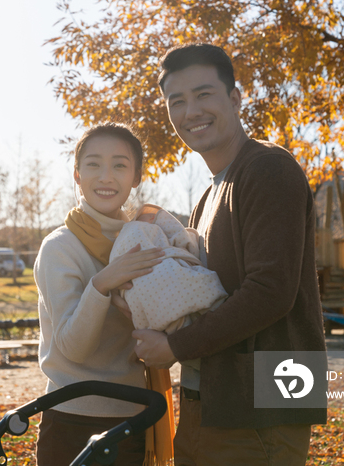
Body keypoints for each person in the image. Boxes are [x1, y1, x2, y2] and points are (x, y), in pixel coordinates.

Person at [123, 44, 327, 465]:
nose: (190, 111)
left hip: (261, 411)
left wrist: (175, 346)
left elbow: (271, 291)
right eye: (176, 101)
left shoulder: (268, 170)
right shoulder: (208, 195)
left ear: (235, 98)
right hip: (210, 402)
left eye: (203, 94)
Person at [33, 122, 166, 466]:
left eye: (120, 165)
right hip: (72, 417)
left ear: (136, 177)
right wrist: (102, 283)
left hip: (134, 415)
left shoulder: (146, 242)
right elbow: (72, 347)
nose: (106, 176)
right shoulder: (60, 248)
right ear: (77, 175)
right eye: (93, 164)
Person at [110, 203, 227, 334]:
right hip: (161, 277)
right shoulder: (140, 227)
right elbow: (183, 238)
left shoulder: (121, 237)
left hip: (147, 309)